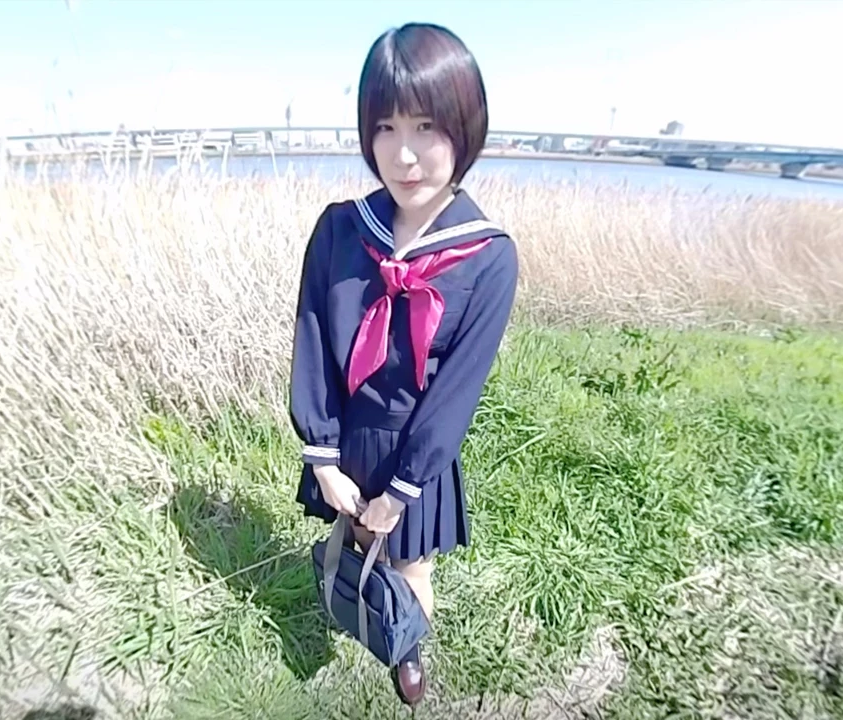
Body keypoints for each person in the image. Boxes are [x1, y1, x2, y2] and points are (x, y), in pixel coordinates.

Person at [288, 21, 519, 707]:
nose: (404, 154)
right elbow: (311, 338)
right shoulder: (341, 228)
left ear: (462, 128)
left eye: (425, 126)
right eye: (385, 128)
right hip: (347, 433)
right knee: (353, 542)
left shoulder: (488, 256)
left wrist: (402, 489)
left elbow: (457, 392)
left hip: (417, 448)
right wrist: (322, 458)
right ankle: (354, 608)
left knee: (411, 562)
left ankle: (406, 647)